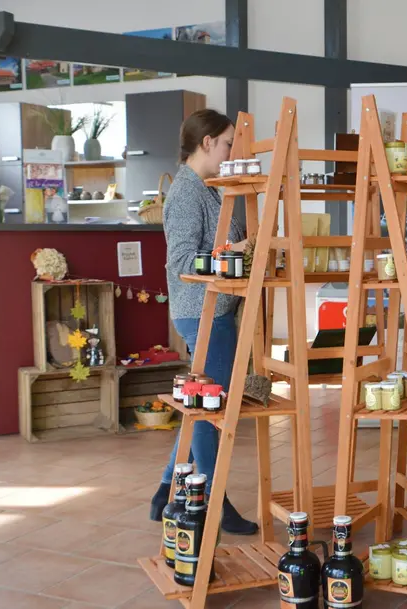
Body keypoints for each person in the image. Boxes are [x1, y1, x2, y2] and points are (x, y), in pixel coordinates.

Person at [149, 109, 258, 536]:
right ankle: (213, 498)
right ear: (207, 142)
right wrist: (236, 251)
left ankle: (165, 490)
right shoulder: (186, 194)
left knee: (200, 407)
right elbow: (179, 263)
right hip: (203, 310)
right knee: (212, 411)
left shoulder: (207, 189)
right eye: (228, 143)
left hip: (213, 310)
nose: (231, 152)